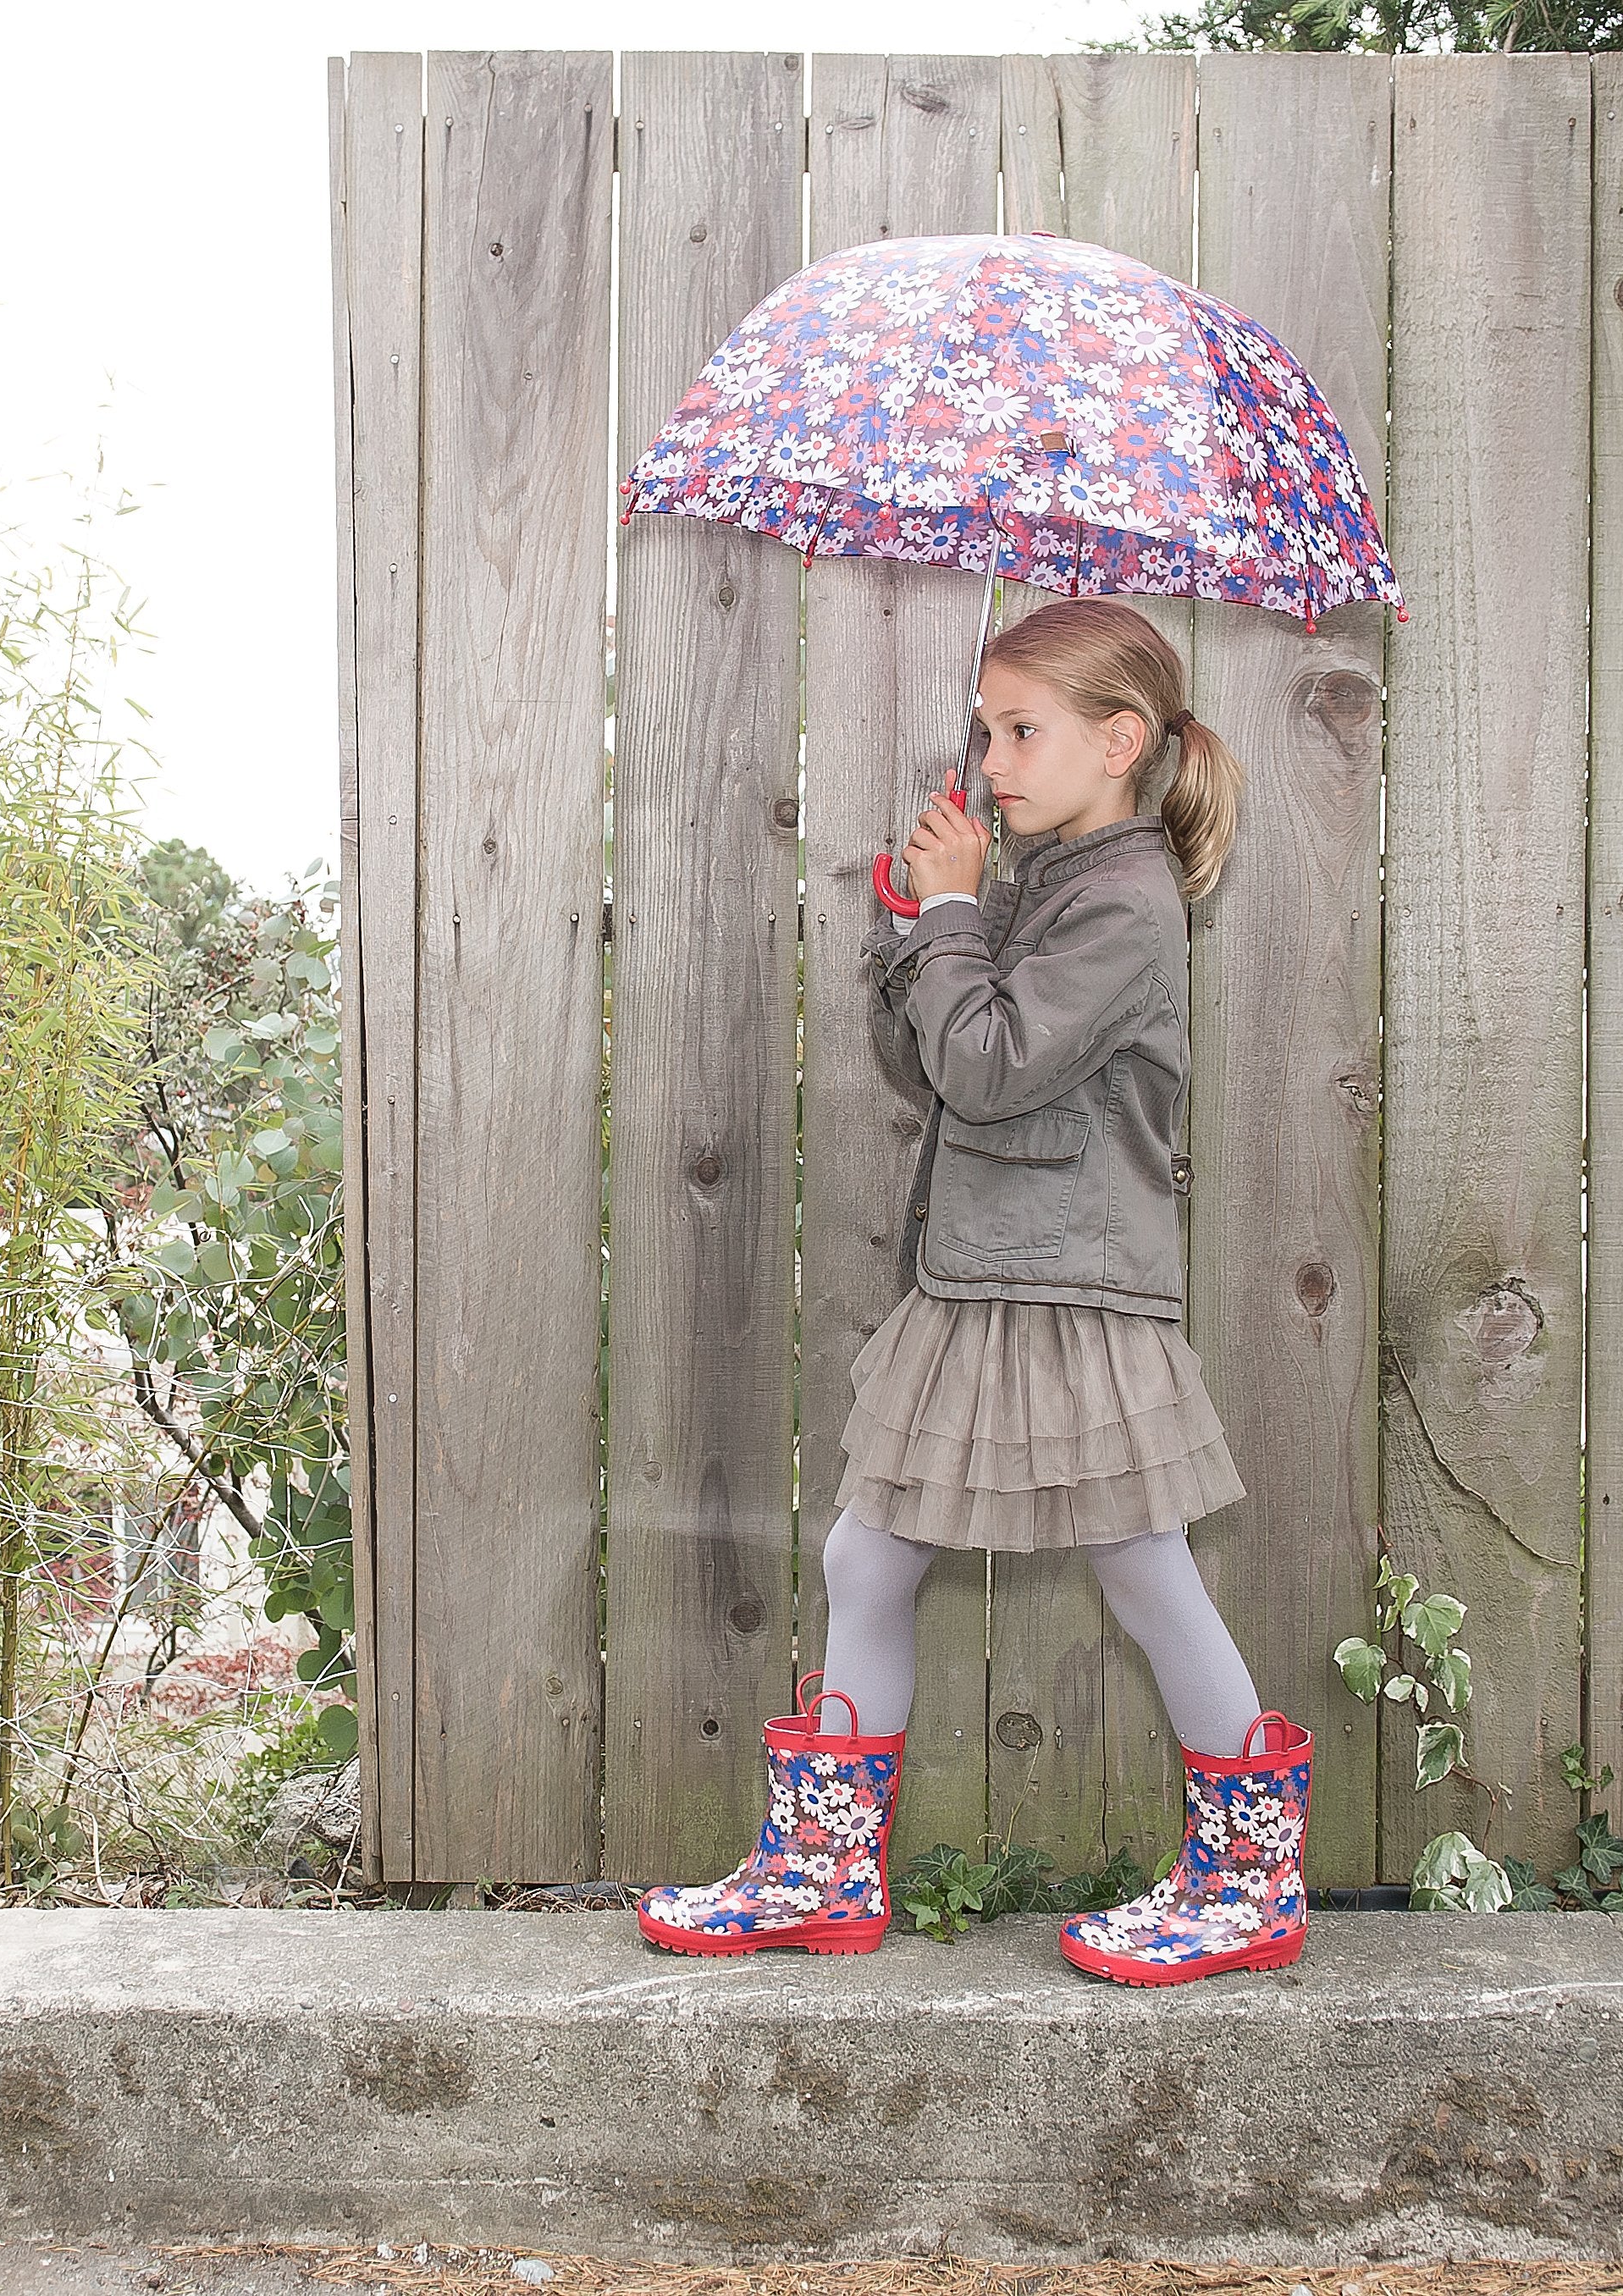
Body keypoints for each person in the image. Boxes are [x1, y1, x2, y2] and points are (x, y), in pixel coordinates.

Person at [635, 597, 1311, 1984]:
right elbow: (932, 1064)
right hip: (988, 1274)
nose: (992, 760)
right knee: (867, 1555)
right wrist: (920, 933)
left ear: (1121, 742)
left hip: (1070, 1292)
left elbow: (997, 1065)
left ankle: (1251, 1884)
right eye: (985, 729)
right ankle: (826, 1869)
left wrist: (954, 918)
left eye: (1023, 731)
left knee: (1146, 1573)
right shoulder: (1050, 886)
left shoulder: (1124, 908)